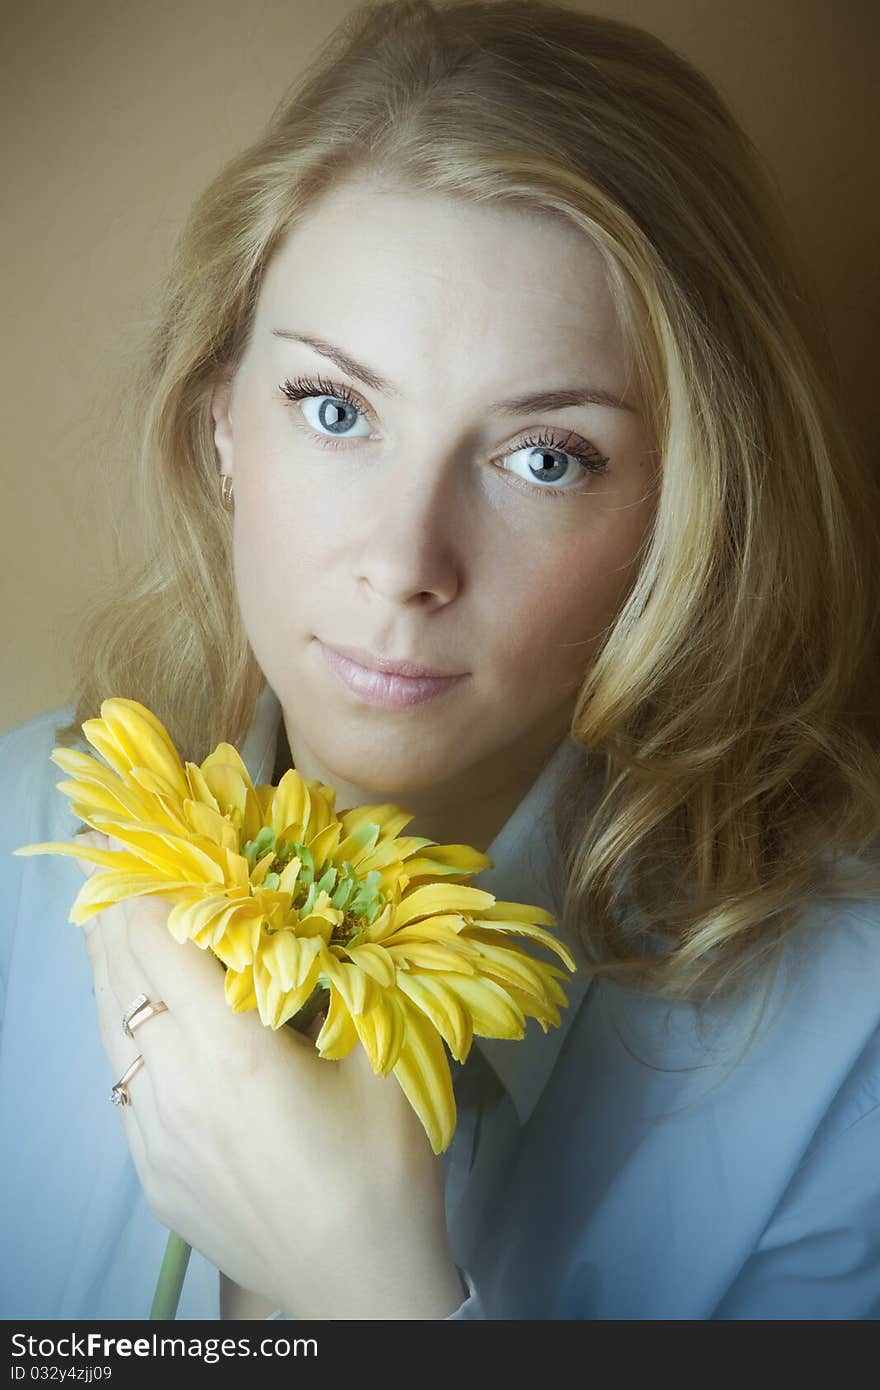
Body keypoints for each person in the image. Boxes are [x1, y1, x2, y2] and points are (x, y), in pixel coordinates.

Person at [2, 0, 879, 1320]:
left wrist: (371, 1294)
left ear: (685, 512)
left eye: (545, 457)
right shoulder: (23, 836)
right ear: (222, 424)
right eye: (337, 408)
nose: (407, 561)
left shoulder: (841, 1043)